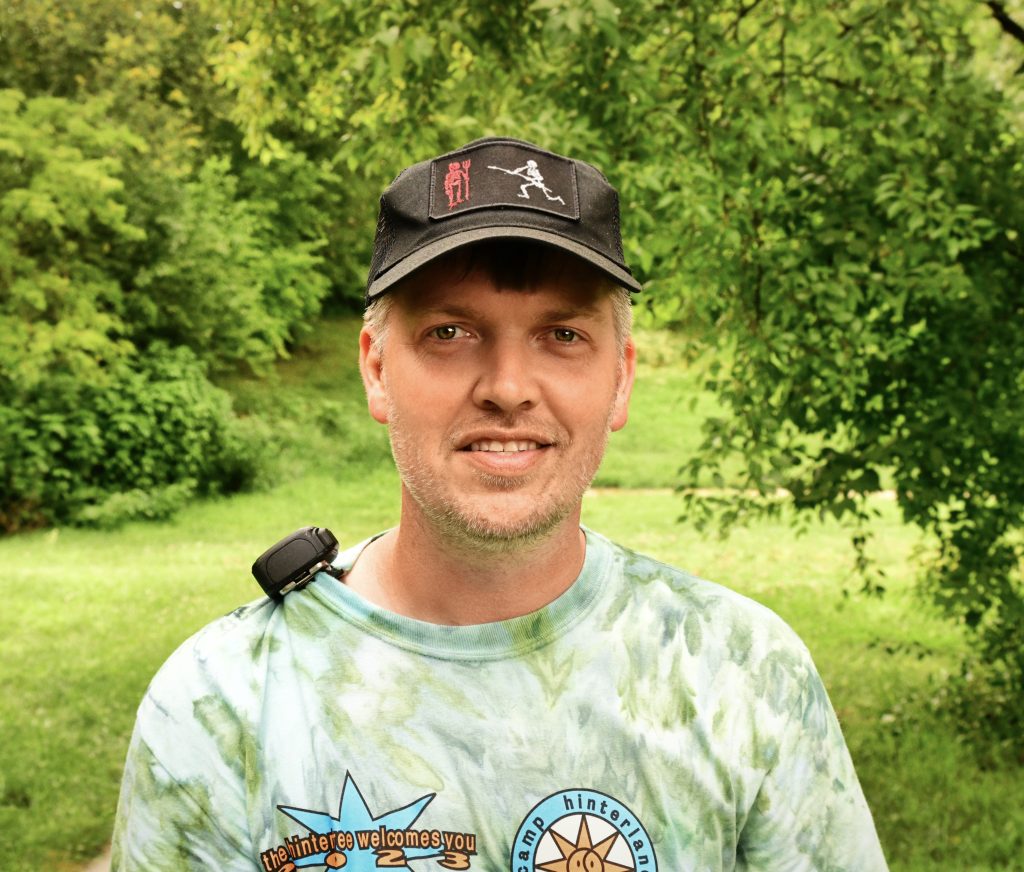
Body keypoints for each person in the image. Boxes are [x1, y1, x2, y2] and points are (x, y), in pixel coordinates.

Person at [112, 137, 888, 871]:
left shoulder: (742, 675)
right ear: (377, 369)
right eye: (451, 332)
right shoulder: (220, 705)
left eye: (561, 336)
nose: (509, 387)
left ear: (620, 378)